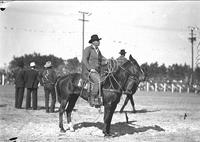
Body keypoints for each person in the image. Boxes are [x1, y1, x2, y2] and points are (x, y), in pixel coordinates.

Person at [82, 34, 107, 107]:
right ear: (93, 42)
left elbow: (102, 59)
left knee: (105, 80)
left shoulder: (98, 51)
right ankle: (92, 99)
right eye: (97, 41)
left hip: (98, 71)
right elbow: (84, 60)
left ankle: (99, 98)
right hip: (90, 71)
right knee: (98, 81)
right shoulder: (88, 49)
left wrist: (107, 61)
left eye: (98, 40)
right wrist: (90, 69)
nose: (99, 42)